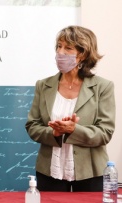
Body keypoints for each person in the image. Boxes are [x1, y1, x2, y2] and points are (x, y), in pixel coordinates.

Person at [25, 26, 115, 192]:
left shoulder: (103, 87)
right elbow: (32, 126)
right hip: (49, 171)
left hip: (91, 172)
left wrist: (74, 130)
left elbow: (105, 133)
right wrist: (54, 133)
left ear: (83, 54)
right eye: (59, 46)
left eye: (68, 48)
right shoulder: (43, 85)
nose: (60, 52)